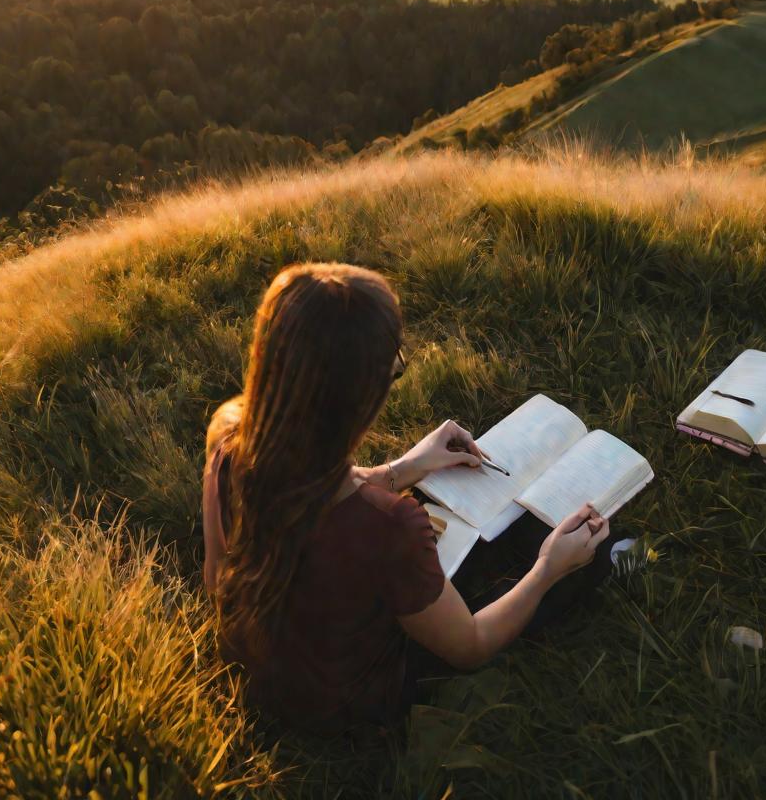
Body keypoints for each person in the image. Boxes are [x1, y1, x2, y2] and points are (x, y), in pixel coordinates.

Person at [203, 262, 619, 734]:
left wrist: (407, 468)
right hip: (354, 704)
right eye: (392, 371)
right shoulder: (387, 526)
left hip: (266, 669)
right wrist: (548, 569)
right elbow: (472, 646)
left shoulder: (229, 444)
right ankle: (601, 561)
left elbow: (216, 580)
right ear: (360, 397)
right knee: (562, 562)